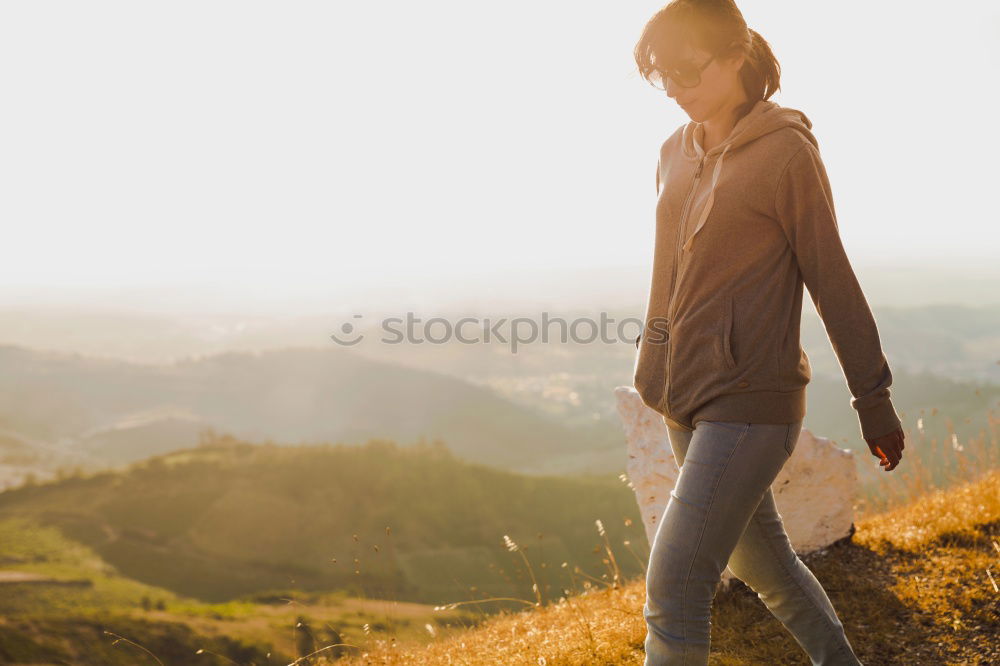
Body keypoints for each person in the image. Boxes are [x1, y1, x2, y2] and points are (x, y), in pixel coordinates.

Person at [630, 1, 906, 664]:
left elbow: (829, 275)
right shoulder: (674, 151)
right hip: (684, 395)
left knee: (674, 590)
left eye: (688, 72)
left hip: (753, 401)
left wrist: (874, 399)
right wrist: (653, 363)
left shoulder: (784, 152)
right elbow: (666, 273)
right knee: (769, 572)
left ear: (735, 53)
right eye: (661, 76)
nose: (676, 90)